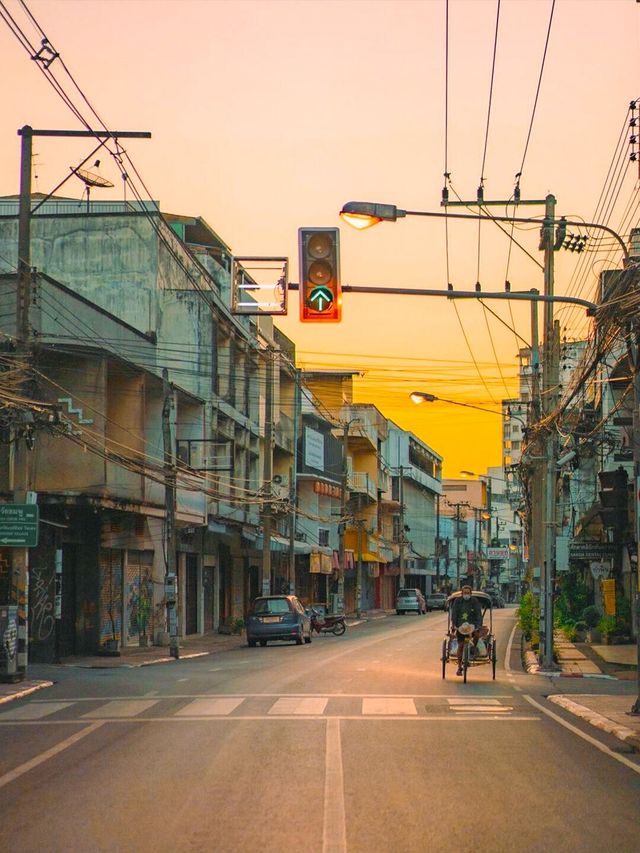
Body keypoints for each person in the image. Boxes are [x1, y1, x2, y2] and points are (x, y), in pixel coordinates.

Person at [450, 584, 483, 676]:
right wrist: (454, 625)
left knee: (476, 635)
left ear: (471, 594)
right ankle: (459, 667)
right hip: (461, 627)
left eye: (468, 593)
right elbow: (454, 614)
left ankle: (473, 648)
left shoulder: (475, 601)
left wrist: (478, 626)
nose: (466, 595)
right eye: (465, 593)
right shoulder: (457, 601)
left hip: (472, 627)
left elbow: (478, 614)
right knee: (460, 646)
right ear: (462, 593)